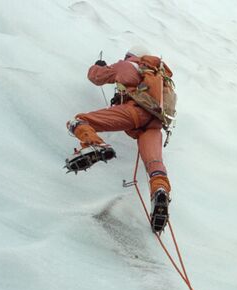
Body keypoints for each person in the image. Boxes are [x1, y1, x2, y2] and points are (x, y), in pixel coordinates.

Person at [64, 46, 174, 233]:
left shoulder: (130, 65)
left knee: (79, 121)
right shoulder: (162, 78)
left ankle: (95, 145)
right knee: (154, 164)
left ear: (132, 56)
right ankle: (160, 192)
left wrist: (98, 66)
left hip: (133, 113)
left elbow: (96, 77)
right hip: (155, 124)